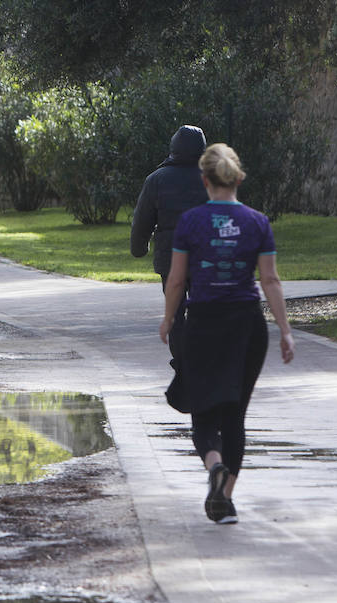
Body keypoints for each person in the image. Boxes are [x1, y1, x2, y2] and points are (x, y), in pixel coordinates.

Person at [159, 143, 295, 525]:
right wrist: (285, 331)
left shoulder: (190, 222)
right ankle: (225, 498)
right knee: (235, 414)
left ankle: (214, 466)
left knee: (204, 410)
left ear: (205, 180)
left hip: (203, 322)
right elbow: (269, 280)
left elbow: (176, 279)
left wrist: (169, 320)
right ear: (238, 178)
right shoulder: (257, 222)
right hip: (247, 326)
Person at [133, 125, 210, 403]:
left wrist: (138, 247)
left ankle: (183, 362)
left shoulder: (157, 180)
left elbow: (142, 219)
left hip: (171, 258)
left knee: (176, 314)